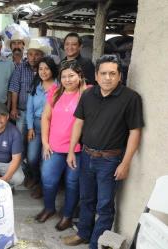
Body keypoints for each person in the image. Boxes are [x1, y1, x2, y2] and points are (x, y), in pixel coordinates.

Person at [63, 55, 144, 248]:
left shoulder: (131, 98)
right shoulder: (88, 95)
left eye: (112, 73)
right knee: (86, 198)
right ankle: (83, 233)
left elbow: (135, 132)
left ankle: (95, 244)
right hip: (86, 155)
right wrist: (72, 150)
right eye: (103, 73)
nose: (107, 77)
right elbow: (79, 122)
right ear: (97, 76)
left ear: (119, 76)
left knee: (105, 205)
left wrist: (125, 162)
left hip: (110, 160)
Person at [37, 60, 89, 231]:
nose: (67, 80)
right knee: (48, 180)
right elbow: (45, 117)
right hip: (54, 147)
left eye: (71, 75)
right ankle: (49, 208)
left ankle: (67, 215)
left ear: (80, 76)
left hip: (77, 150)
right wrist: (45, 143)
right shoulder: (55, 92)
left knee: (72, 183)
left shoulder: (87, 94)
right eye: (64, 76)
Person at [9, 39, 51, 193]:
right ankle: (24, 173)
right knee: (20, 142)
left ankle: (36, 177)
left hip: (42, 117)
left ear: (41, 56)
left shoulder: (46, 72)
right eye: (31, 54)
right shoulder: (21, 68)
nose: (33, 57)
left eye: (37, 54)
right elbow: (14, 88)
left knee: (38, 148)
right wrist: (13, 107)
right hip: (22, 112)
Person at [25, 56, 58, 199]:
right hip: (36, 126)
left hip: (52, 128)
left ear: (52, 70)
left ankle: (42, 186)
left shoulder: (59, 86)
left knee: (46, 160)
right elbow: (29, 109)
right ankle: (35, 177)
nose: (43, 72)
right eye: (40, 69)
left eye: (46, 68)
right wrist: (30, 127)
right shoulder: (35, 86)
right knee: (32, 158)